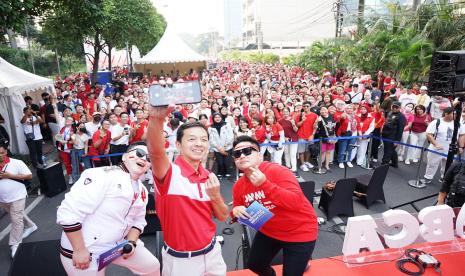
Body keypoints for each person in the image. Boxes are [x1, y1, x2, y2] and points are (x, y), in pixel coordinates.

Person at [147, 105, 228, 276]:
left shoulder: (208, 176)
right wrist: (156, 119)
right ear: (178, 144)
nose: (199, 144)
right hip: (182, 261)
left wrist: (215, 196)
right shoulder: (169, 173)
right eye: (192, 139)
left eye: (204, 139)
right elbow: (155, 152)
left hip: (213, 252)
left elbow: (222, 216)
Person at [57, 142, 160, 275]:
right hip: (88, 248)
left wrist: (132, 243)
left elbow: (138, 222)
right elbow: (69, 213)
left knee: (151, 266)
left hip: (119, 245)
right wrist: (79, 250)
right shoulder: (100, 175)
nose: (144, 159)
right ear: (124, 157)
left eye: (149, 158)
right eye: (139, 153)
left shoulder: (143, 191)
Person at [231, 135, 318, 276]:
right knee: (254, 265)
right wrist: (235, 211)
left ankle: (302, 262)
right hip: (269, 231)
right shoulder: (238, 185)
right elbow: (237, 209)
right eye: (236, 154)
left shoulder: (278, 171)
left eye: (247, 151)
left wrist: (265, 185)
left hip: (300, 231)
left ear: (259, 155)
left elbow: (295, 202)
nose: (241, 155)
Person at [0, 138, 38, 258]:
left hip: (18, 195)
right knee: (17, 215)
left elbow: (29, 176)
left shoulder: (16, 163)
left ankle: (15, 243)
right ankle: (31, 226)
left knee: (16, 220)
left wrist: (10, 175)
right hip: (3, 198)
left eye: (1, 152)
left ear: (6, 152)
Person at [423, 107, 462, 183]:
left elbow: (461, 135)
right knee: (432, 164)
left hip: (450, 150)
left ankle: (444, 177)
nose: (456, 115)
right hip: (436, 149)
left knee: (448, 166)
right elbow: (429, 134)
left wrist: (460, 146)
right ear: (446, 114)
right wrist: (436, 144)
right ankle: (428, 177)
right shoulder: (436, 122)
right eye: (453, 114)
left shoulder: (458, 123)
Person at [209, 112, 234, 179]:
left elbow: (231, 136)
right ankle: (220, 173)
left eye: (219, 117)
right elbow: (211, 140)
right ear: (213, 118)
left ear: (221, 117)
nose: (217, 118)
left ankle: (228, 173)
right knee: (220, 162)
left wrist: (224, 147)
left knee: (226, 162)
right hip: (217, 148)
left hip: (227, 147)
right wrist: (219, 148)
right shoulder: (211, 127)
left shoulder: (226, 125)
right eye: (216, 117)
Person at [381, 101, 406, 168]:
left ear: (399, 108)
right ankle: (395, 163)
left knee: (388, 151)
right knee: (390, 150)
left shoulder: (401, 117)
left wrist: (397, 140)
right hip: (385, 134)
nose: (394, 108)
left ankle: (384, 165)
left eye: (396, 107)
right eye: (393, 107)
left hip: (392, 136)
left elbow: (400, 130)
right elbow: (386, 122)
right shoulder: (390, 113)